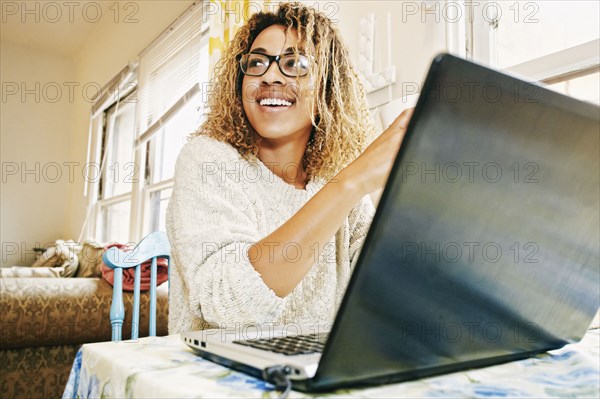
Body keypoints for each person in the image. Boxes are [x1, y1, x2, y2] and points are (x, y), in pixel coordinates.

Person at [166, 2, 412, 333]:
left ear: (326, 87)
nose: (269, 75)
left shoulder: (331, 179)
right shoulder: (208, 160)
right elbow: (227, 303)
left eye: (294, 63)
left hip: (310, 372)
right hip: (214, 376)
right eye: (256, 62)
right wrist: (351, 183)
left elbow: (384, 294)